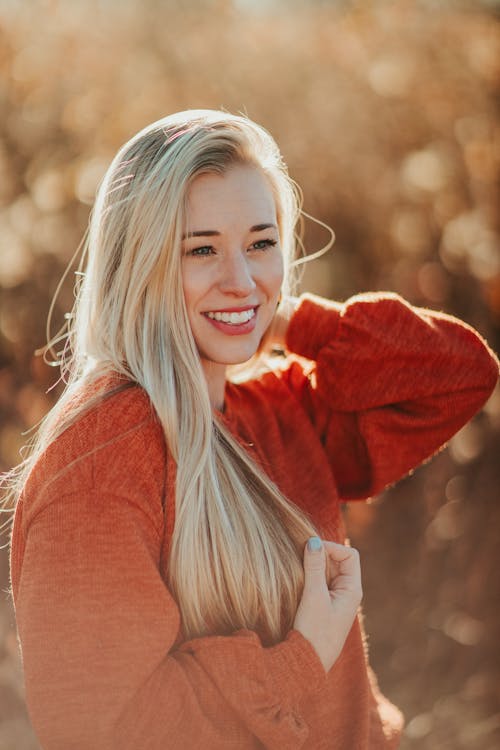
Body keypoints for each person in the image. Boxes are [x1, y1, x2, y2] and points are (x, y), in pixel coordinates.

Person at [7, 109, 499, 750]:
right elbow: (105, 733)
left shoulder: (275, 406)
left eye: (261, 244)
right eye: (201, 249)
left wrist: (280, 318)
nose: (239, 279)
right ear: (139, 265)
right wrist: (302, 656)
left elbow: (458, 374)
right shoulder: (101, 458)